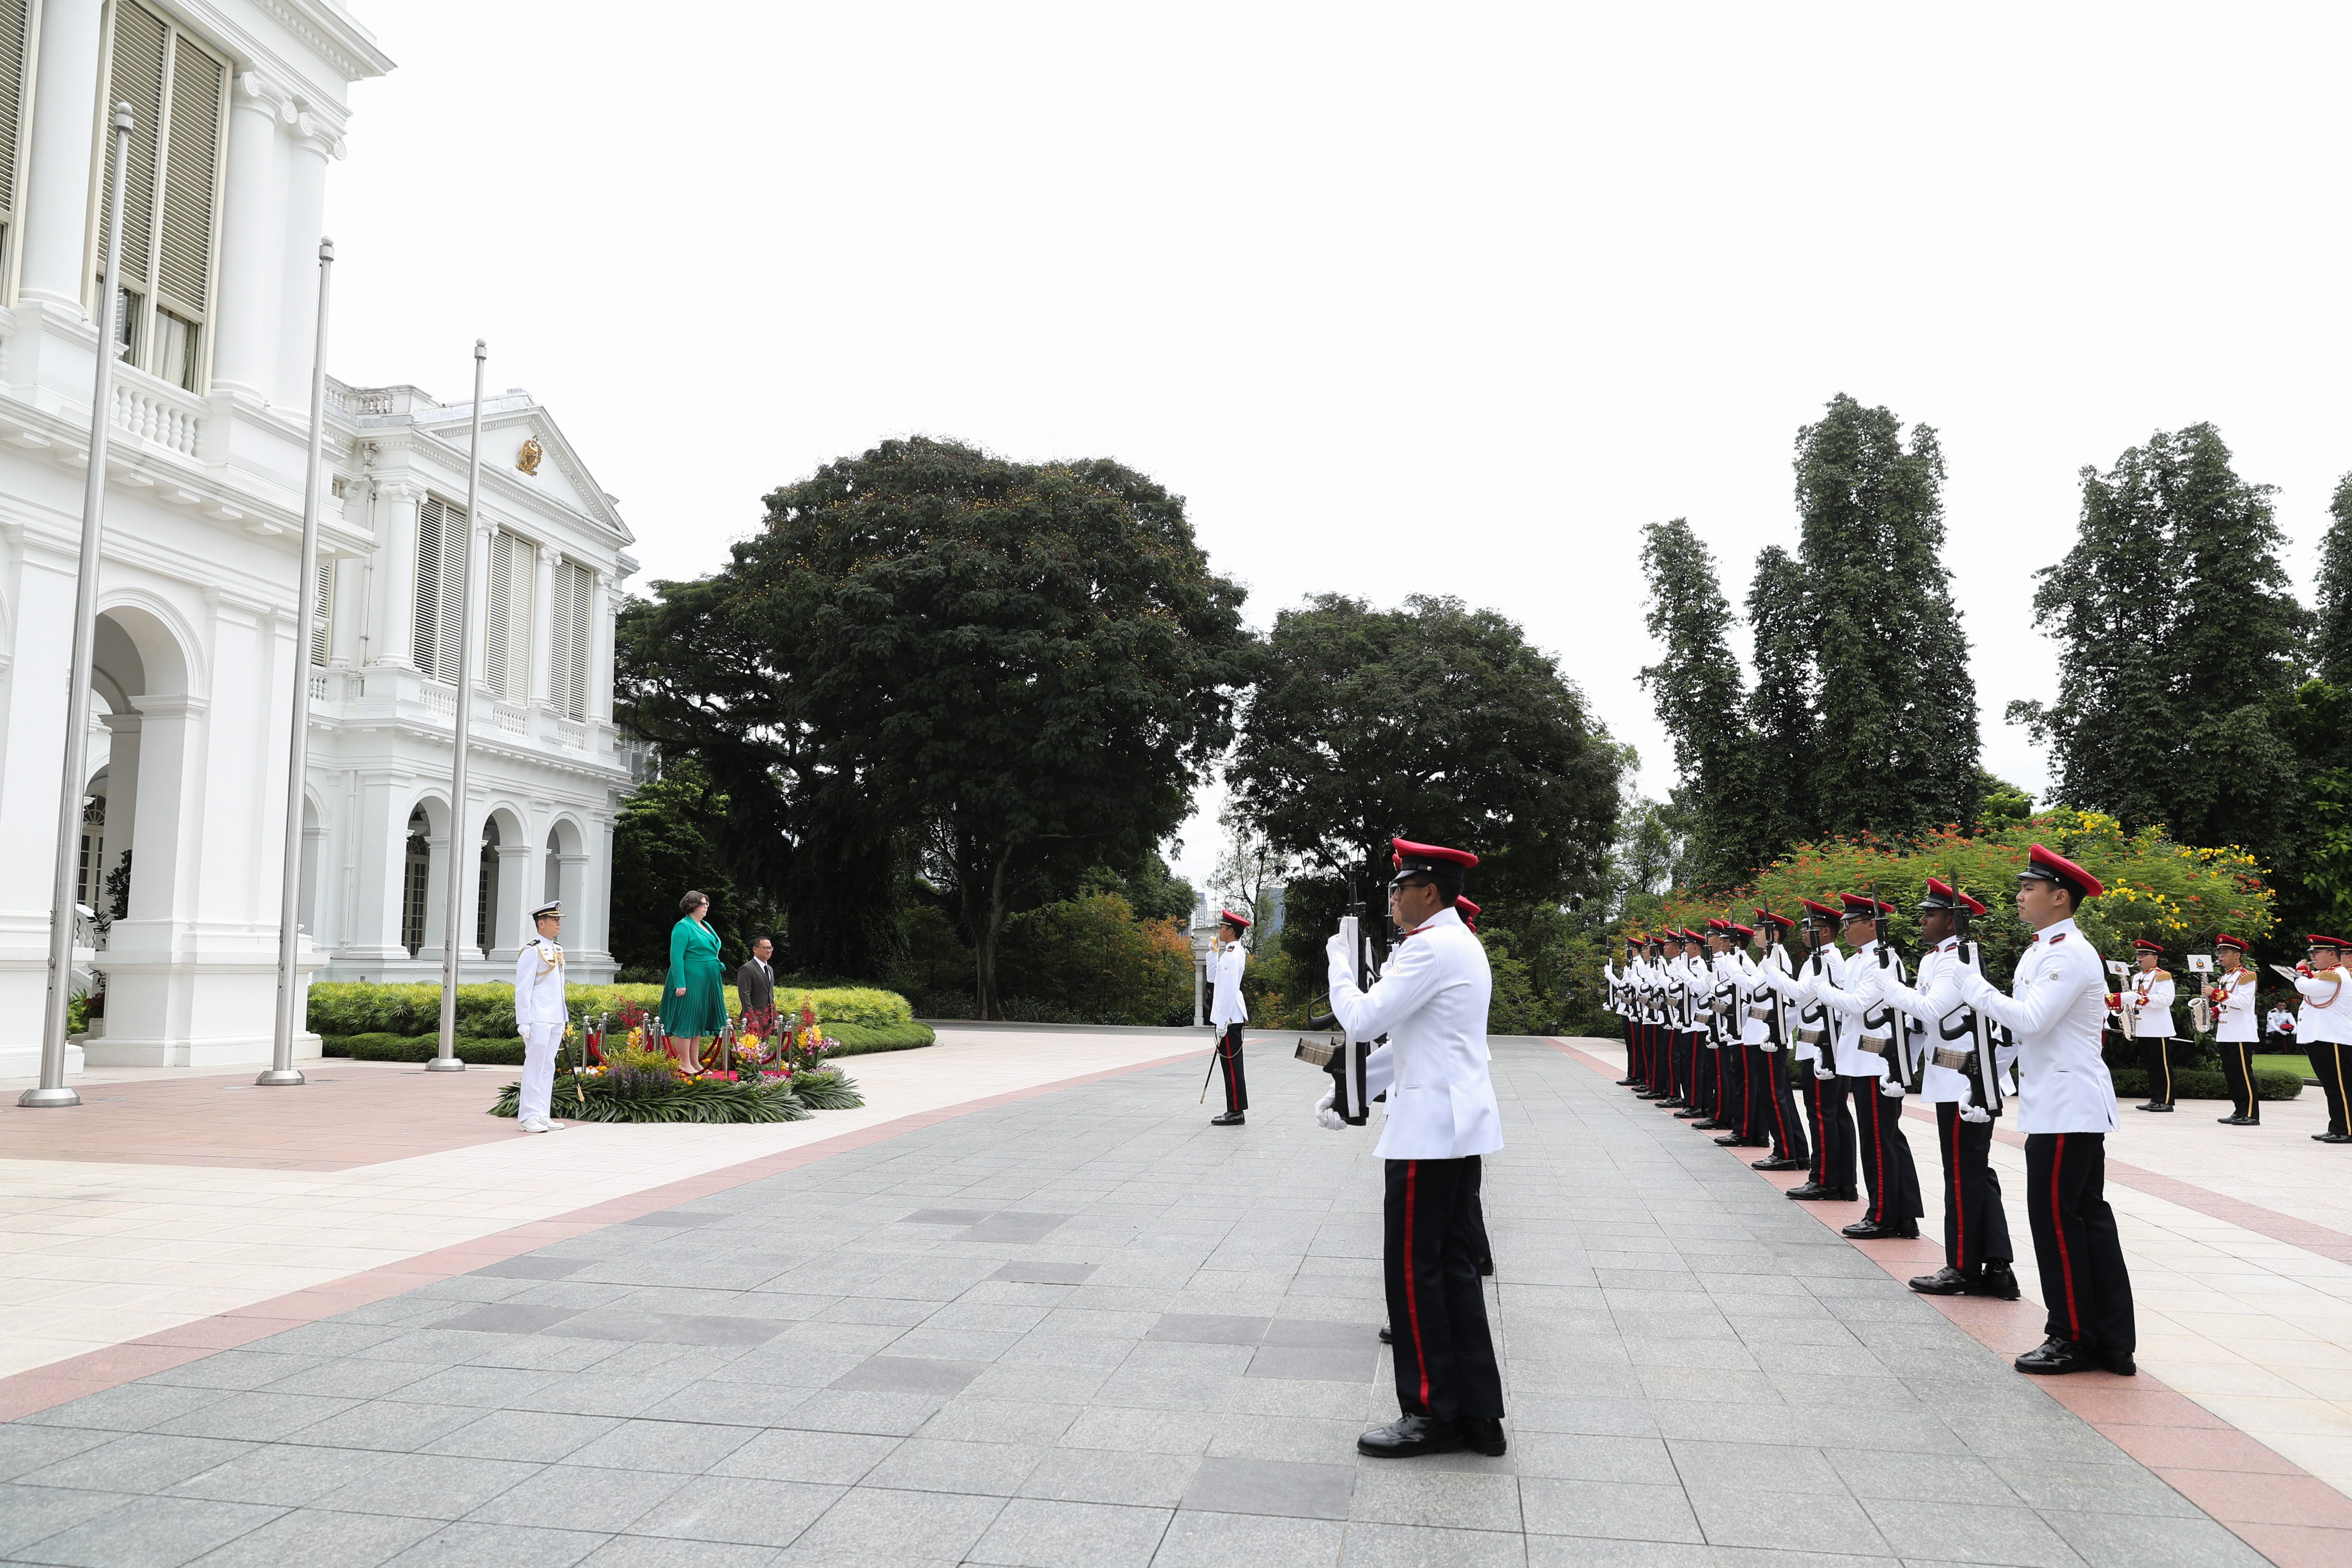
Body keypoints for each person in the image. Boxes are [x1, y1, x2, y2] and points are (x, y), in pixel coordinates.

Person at [1319, 837, 1505, 1459]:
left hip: (1427, 1134)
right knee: (1452, 1270)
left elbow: (1365, 1020)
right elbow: (1412, 1045)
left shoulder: (1429, 948)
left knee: (1413, 1271)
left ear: (1430, 890)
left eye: (1401, 887)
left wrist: (1338, 967)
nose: (1394, 897)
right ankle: (1477, 1414)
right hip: (1453, 1127)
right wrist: (1349, 1089)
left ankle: (1429, 1412)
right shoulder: (1459, 944)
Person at [1950, 843, 2136, 1376]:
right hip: (2056, 1105)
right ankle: (2109, 1340)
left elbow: (2031, 1020)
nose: (2020, 895)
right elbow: (2018, 1034)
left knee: (2060, 1222)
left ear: (2060, 897)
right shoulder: (2041, 951)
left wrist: (1976, 989)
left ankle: (2072, 1336)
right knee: (2085, 1220)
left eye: (2029, 888)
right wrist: (1986, 1082)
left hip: (2066, 1106)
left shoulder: (2069, 953)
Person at [1874, 880, 2019, 1300]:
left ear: (1953, 920)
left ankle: (1963, 1266)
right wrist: (1901, 1065)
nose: (1922, 920)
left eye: (1931, 914)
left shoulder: (1958, 959)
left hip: (1967, 1081)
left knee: (1964, 1174)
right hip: (1950, 1076)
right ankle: (1996, 1265)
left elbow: (1930, 1008)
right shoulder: (1936, 958)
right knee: (1971, 1172)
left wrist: (1889, 988)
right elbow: (1923, 1025)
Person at [1812, 893, 1924, 1241]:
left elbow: (1860, 1005)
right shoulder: (1859, 959)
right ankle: (1902, 1213)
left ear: (1872, 924)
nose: (1844, 927)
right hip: (1863, 1059)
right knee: (1886, 1138)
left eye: (1851, 922)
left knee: (1879, 1141)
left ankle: (1883, 1214)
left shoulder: (1882, 960)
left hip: (1877, 1061)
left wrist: (1823, 990)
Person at [1773, 897, 1857, 1202]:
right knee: (1833, 1114)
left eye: (1810, 927)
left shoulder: (1829, 960)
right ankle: (1842, 1180)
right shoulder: (1818, 959)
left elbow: (1801, 993)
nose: (1804, 932)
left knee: (1823, 1114)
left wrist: (1775, 974)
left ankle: (1824, 1180)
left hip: (1826, 1046)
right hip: (1817, 1043)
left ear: (1824, 932)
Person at [1739, 911, 1811, 1173]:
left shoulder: (1778, 957)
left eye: (1759, 929)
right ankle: (1799, 1152)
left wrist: (1779, 1033)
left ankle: (1785, 1153)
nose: (1755, 933)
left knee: (1775, 1097)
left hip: (1771, 1038)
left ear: (1775, 934)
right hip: (1765, 1035)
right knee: (1781, 1097)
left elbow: (1788, 1003)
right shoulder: (1769, 958)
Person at [513, 900, 568, 1134]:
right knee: (535, 1067)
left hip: (555, 1016)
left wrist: (563, 1017)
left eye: (559, 920)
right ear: (541, 923)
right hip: (537, 1017)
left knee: (548, 1066)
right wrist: (523, 1020)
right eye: (554, 920)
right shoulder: (532, 950)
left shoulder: (557, 949)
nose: (558, 924)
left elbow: (560, 987)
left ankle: (542, 1113)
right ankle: (527, 1117)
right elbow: (523, 988)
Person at [660, 891, 728, 1074]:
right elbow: (676, 957)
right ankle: (683, 1063)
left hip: (707, 978)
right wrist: (680, 983)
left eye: (707, 904)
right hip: (690, 977)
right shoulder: (683, 927)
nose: (706, 908)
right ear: (692, 906)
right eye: (703, 905)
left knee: (698, 1021)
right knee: (686, 1020)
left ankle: (694, 1061)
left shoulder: (705, 925)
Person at [2293, 936, 2352, 1145]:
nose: (2312, 957)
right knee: (2331, 1086)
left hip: (2334, 1037)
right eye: (2312, 953)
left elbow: (2306, 989)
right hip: (2323, 1037)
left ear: (2332, 954)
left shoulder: (2336, 975)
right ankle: (2337, 1127)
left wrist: (2300, 973)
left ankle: (2346, 1129)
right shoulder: (2325, 975)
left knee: (2340, 1087)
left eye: (2316, 953)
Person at [2119, 940, 2177, 1112]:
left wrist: (2142, 999)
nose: (2140, 958)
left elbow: (2167, 1000)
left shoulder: (2162, 976)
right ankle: (2155, 1098)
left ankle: (2166, 1101)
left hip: (2158, 1028)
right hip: (2142, 1027)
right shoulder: (2137, 977)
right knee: (2151, 1065)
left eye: (2144, 955)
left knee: (2162, 1065)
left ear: (2155, 958)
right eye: (2139, 955)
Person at [2209, 936, 2260, 1127]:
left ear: (2237, 955)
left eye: (2225, 953)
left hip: (2240, 1032)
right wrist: (2214, 1011)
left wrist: (2215, 994)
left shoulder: (2246, 976)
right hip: (2226, 1031)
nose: (2221, 957)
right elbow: (2226, 1005)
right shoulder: (2225, 977)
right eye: (2220, 953)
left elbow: (2242, 1002)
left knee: (2243, 1074)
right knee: (2232, 1074)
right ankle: (2239, 1110)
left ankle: (2250, 1113)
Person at [1208, 908, 1252, 1126]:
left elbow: (1227, 991)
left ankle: (1235, 1112)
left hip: (1230, 1018)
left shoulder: (1233, 955)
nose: (1219, 930)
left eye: (1222, 928)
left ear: (1231, 931)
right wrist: (1212, 953)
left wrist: (1223, 1023)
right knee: (1231, 1067)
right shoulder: (1229, 953)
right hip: (1229, 1017)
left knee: (1233, 1068)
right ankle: (1234, 1110)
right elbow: (1212, 978)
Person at [737, 935, 778, 1017]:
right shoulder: (747, 968)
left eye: (771, 948)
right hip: (754, 1019)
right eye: (766, 948)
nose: (769, 951)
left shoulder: (770, 969)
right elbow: (745, 996)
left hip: (768, 1019)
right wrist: (752, 1018)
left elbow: (770, 995)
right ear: (755, 949)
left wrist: (775, 1017)